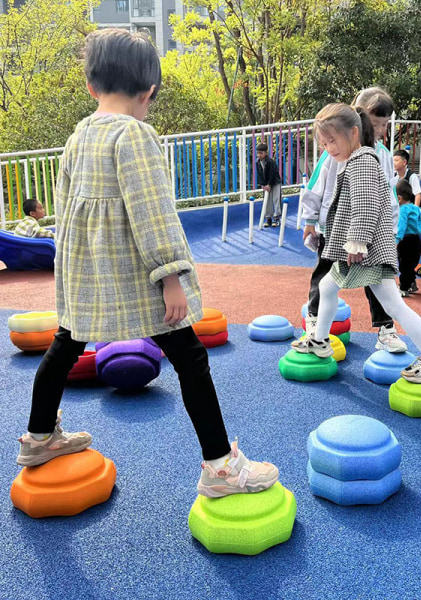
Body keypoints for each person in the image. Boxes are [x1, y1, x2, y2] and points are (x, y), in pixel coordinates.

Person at [16, 29, 279, 499]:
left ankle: (38, 439)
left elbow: (66, 208)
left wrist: (69, 274)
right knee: (191, 359)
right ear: (149, 91)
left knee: (64, 347)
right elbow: (152, 212)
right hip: (136, 276)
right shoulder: (135, 135)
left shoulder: (79, 135)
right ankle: (220, 467)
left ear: (91, 87)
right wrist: (170, 275)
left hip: (88, 274)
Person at [292, 103, 421, 385]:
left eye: (333, 140)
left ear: (354, 133)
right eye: (324, 143)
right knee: (332, 288)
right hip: (367, 251)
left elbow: (366, 205)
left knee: (393, 306)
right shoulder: (355, 160)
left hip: (366, 252)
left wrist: (357, 241)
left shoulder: (363, 161)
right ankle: (319, 340)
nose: (328, 148)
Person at [301, 86, 406, 353]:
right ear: (356, 123)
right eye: (374, 124)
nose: (380, 131)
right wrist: (310, 220)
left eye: (384, 125)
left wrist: (391, 230)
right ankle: (314, 325)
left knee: (377, 282)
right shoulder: (333, 151)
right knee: (323, 276)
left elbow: (388, 195)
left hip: (367, 234)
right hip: (334, 230)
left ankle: (386, 329)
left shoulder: (382, 154)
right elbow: (316, 186)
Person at [395, 179, 421, 297]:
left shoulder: (402, 210)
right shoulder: (416, 209)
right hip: (416, 240)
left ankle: (403, 288)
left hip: (405, 240)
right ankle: (411, 284)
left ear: (399, 198)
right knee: (412, 263)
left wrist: (396, 240)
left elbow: (401, 226)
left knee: (404, 265)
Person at [256, 142, 282, 227]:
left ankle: (277, 217)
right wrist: (263, 184)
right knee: (267, 200)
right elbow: (259, 174)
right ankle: (268, 218)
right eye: (258, 153)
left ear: (266, 153)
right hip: (266, 183)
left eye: (261, 153)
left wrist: (269, 184)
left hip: (274, 182)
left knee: (276, 199)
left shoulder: (270, 162)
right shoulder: (258, 162)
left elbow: (272, 174)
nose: (259, 155)